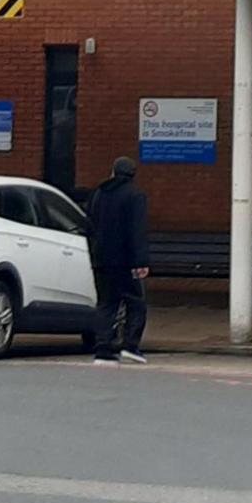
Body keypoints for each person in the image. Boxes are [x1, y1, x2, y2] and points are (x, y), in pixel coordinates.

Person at [87, 155, 152, 364]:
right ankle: (130, 345)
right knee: (136, 302)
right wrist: (141, 261)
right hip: (125, 261)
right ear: (133, 175)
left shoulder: (98, 194)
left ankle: (103, 349)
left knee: (106, 303)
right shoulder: (136, 196)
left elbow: (91, 224)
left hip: (101, 258)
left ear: (113, 172)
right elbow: (137, 231)